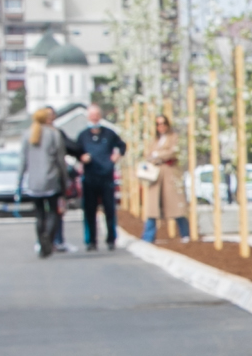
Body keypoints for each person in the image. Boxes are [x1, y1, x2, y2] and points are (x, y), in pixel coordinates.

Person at [65, 102, 128, 252]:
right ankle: (91, 241)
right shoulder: (83, 136)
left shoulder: (109, 133)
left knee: (109, 210)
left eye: (96, 115)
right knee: (89, 211)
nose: (94, 118)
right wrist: (82, 157)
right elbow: (75, 151)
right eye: (91, 116)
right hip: (90, 177)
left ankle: (111, 239)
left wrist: (116, 155)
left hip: (106, 177)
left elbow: (122, 145)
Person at [21, 108, 73, 259]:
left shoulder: (27, 135)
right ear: (47, 119)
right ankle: (48, 239)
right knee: (52, 213)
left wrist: (19, 181)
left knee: (39, 214)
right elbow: (60, 160)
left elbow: (23, 160)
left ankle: (40, 239)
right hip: (50, 180)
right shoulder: (53, 134)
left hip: (34, 183)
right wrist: (65, 179)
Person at [142, 111, 186, 243]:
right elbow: (148, 155)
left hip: (169, 174)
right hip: (156, 176)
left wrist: (157, 155)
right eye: (158, 124)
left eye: (163, 123)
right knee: (152, 208)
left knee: (176, 205)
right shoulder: (155, 140)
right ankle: (148, 236)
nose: (161, 126)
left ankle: (185, 233)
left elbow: (172, 152)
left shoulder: (174, 137)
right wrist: (156, 155)